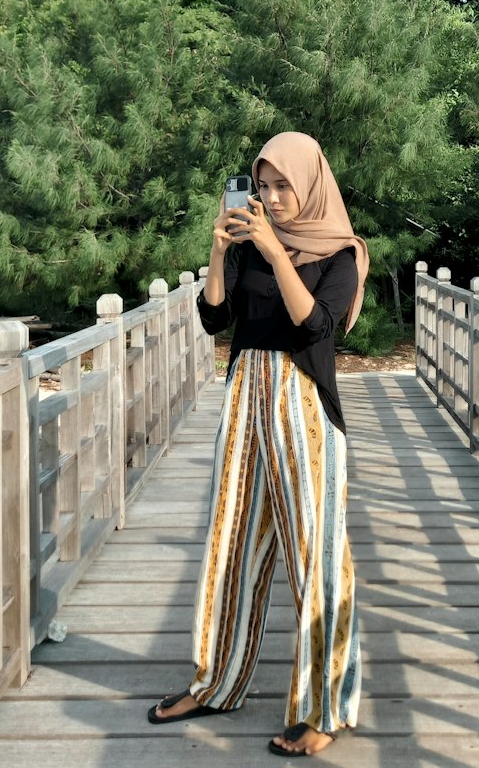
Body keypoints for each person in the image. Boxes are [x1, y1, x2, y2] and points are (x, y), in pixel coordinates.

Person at [148, 131, 369, 758]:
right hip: (246, 400)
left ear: (311, 184)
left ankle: (323, 707)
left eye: (282, 186)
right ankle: (215, 682)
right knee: (231, 543)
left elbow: (317, 327)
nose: (270, 199)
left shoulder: (340, 254)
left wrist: (276, 254)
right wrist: (220, 254)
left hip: (304, 407)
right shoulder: (249, 241)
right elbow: (216, 319)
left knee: (316, 558)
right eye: (263, 186)